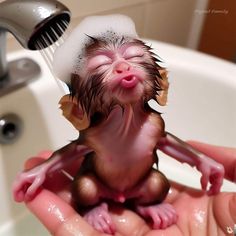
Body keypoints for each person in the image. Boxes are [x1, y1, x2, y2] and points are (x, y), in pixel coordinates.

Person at [24, 141, 236, 236]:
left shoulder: (150, 123)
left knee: (156, 183)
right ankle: (91, 208)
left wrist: (200, 161)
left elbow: (168, 144)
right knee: (85, 187)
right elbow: (73, 151)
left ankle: (146, 205)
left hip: (140, 187)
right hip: (100, 186)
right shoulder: (98, 127)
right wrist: (43, 169)